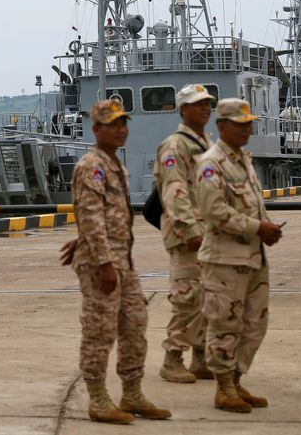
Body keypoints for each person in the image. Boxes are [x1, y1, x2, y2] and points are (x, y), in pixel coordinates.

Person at [69, 99, 171, 424]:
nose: (120, 129)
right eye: (112, 124)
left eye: (123, 123)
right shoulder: (91, 166)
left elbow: (102, 216)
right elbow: (90, 215)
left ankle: (132, 393)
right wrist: (102, 261)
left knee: (135, 324)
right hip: (104, 264)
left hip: (121, 260)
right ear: (96, 128)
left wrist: (90, 243)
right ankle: (98, 399)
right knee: (100, 330)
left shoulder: (115, 165)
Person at [194, 98, 284, 414]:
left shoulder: (242, 159)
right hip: (225, 260)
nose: (247, 129)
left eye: (249, 124)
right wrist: (257, 227)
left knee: (254, 323)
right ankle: (223, 388)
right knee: (224, 323)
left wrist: (263, 230)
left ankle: (236, 377)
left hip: (252, 257)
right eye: (240, 124)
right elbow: (214, 211)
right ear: (221, 126)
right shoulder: (211, 163)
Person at [154, 84, 215, 383]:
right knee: (188, 297)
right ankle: (172, 358)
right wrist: (190, 229)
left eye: (208, 103)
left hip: (208, 233)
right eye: (197, 104)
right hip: (187, 234)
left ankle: (201, 358)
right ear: (183, 110)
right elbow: (174, 191)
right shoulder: (176, 146)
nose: (205, 108)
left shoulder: (205, 143)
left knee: (207, 298)